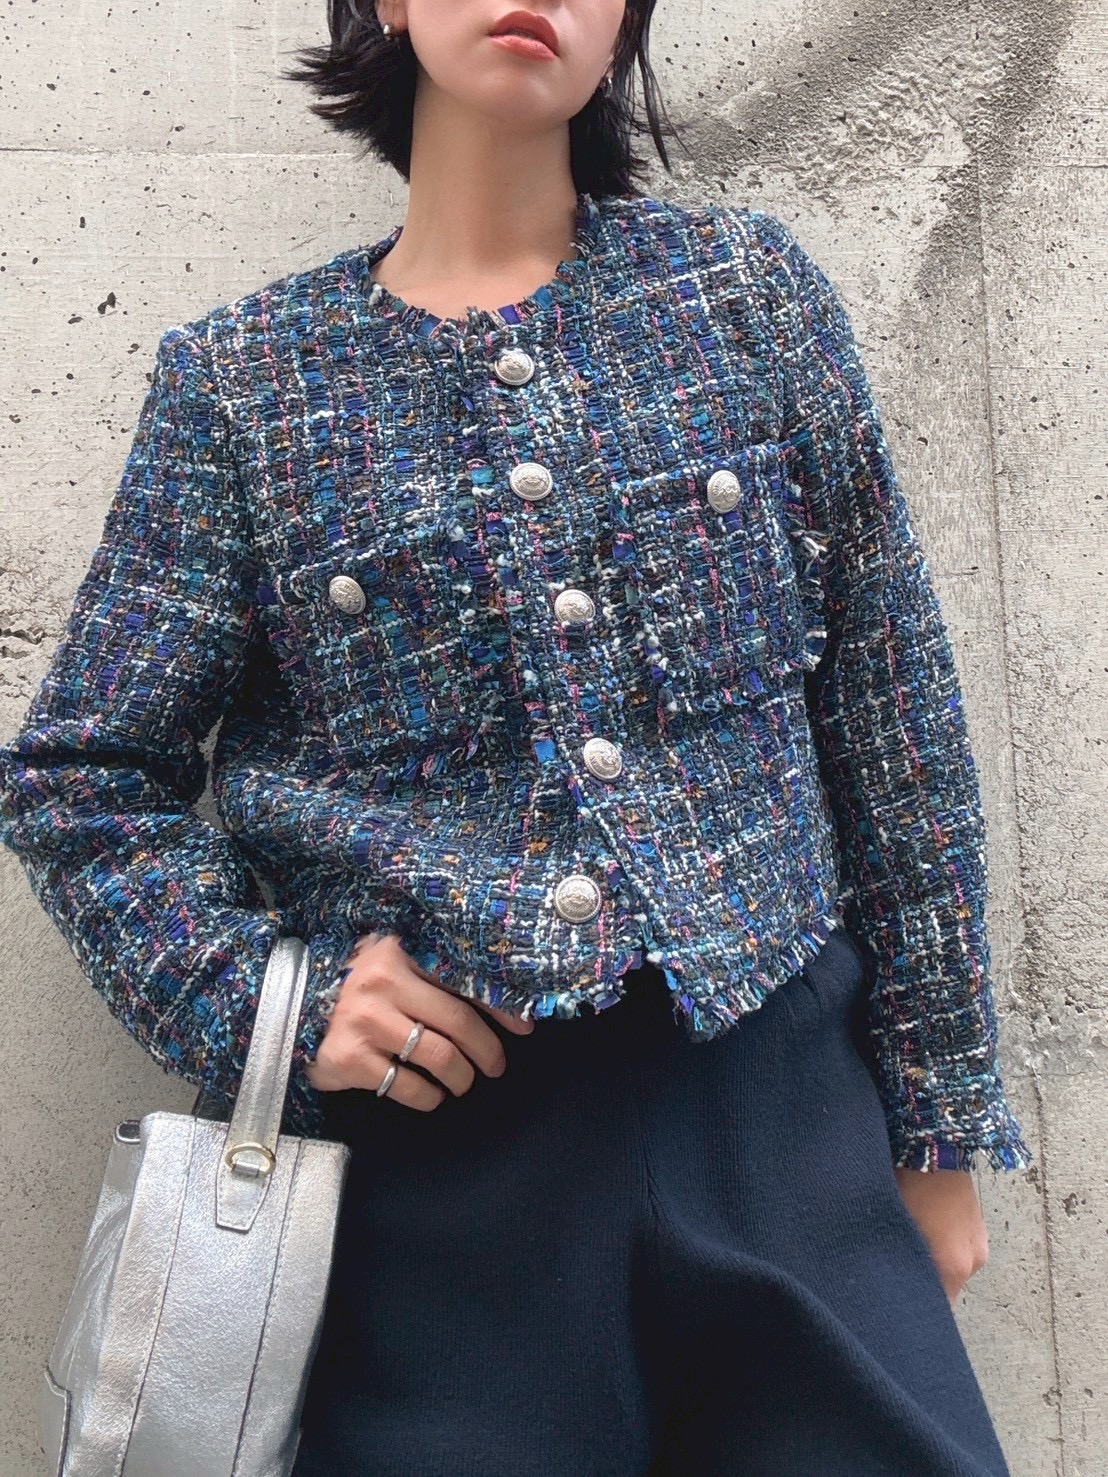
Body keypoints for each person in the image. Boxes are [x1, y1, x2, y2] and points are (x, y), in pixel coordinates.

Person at [0, 1, 1033, 1472]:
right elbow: (83, 779)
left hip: (783, 1116)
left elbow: (892, 710)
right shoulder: (243, 383)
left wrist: (938, 1120)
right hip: (437, 1193)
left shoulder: (745, 296)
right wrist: (265, 999)